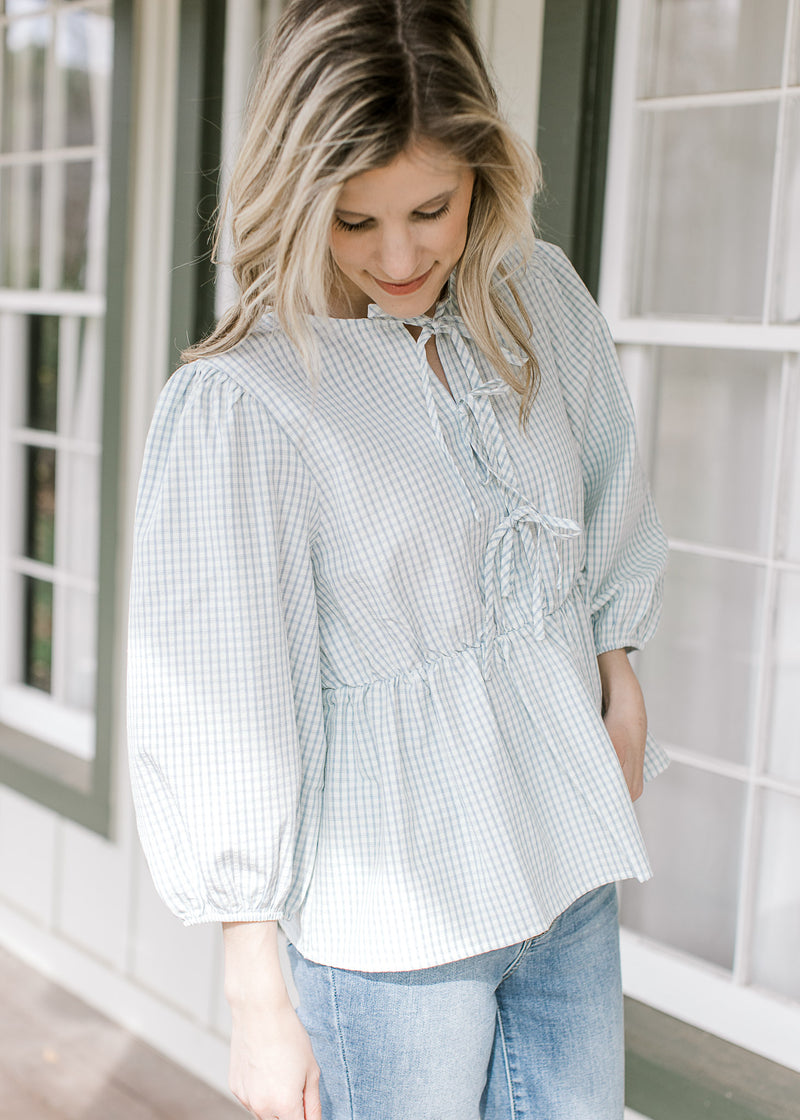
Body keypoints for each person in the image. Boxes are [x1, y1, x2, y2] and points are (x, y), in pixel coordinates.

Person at [127, 1, 669, 1117]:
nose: (400, 254)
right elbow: (227, 703)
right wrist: (255, 999)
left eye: (431, 207)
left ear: (483, 172)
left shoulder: (534, 299)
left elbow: (608, 482)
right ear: (294, 200)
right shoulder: (250, 401)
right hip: (389, 922)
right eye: (352, 219)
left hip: (561, 861)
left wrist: (618, 670)